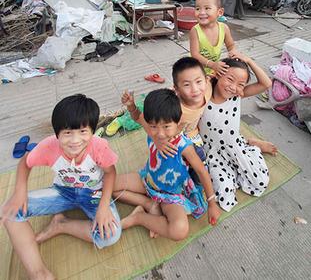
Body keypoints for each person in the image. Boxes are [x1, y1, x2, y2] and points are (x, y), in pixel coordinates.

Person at [0, 94, 121, 280]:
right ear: (57, 134)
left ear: (92, 130)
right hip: (62, 192)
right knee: (9, 211)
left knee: (110, 236)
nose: (75, 140)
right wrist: (19, 192)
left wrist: (104, 206)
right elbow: (25, 163)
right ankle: (39, 274)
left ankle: (62, 225)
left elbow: (110, 173)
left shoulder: (99, 146)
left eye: (82, 131)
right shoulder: (49, 146)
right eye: (67, 133)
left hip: (93, 194)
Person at [114, 89, 221, 240]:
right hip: (148, 180)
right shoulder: (153, 129)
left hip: (171, 194)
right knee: (109, 186)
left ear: (178, 124)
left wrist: (212, 203)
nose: (160, 133)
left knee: (179, 231)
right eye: (153, 126)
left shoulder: (184, 146)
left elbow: (202, 171)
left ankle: (139, 218)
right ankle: (148, 204)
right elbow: (138, 117)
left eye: (166, 127)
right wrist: (131, 105)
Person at [199, 53, 277, 212]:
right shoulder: (203, 95)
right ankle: (250, 145)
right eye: (229, 79)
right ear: (218, 75)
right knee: (224, 194)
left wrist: (248, 60)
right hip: (212, 153)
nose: (233, 87)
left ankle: (252, 144)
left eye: (241, 84)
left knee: (260, 182)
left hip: (235, 145)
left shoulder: (237, 96)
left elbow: (266, 83)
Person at [189, 0, 237, 76]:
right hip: (196, 70)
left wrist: (232, 53)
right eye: (197, 9)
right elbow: (195, 54)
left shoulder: (224, 28)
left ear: (220, 12)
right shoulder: (195, 30)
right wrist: (213, 65)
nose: (201, 12)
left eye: (207, 8)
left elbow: (231, 45)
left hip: (213, 70)